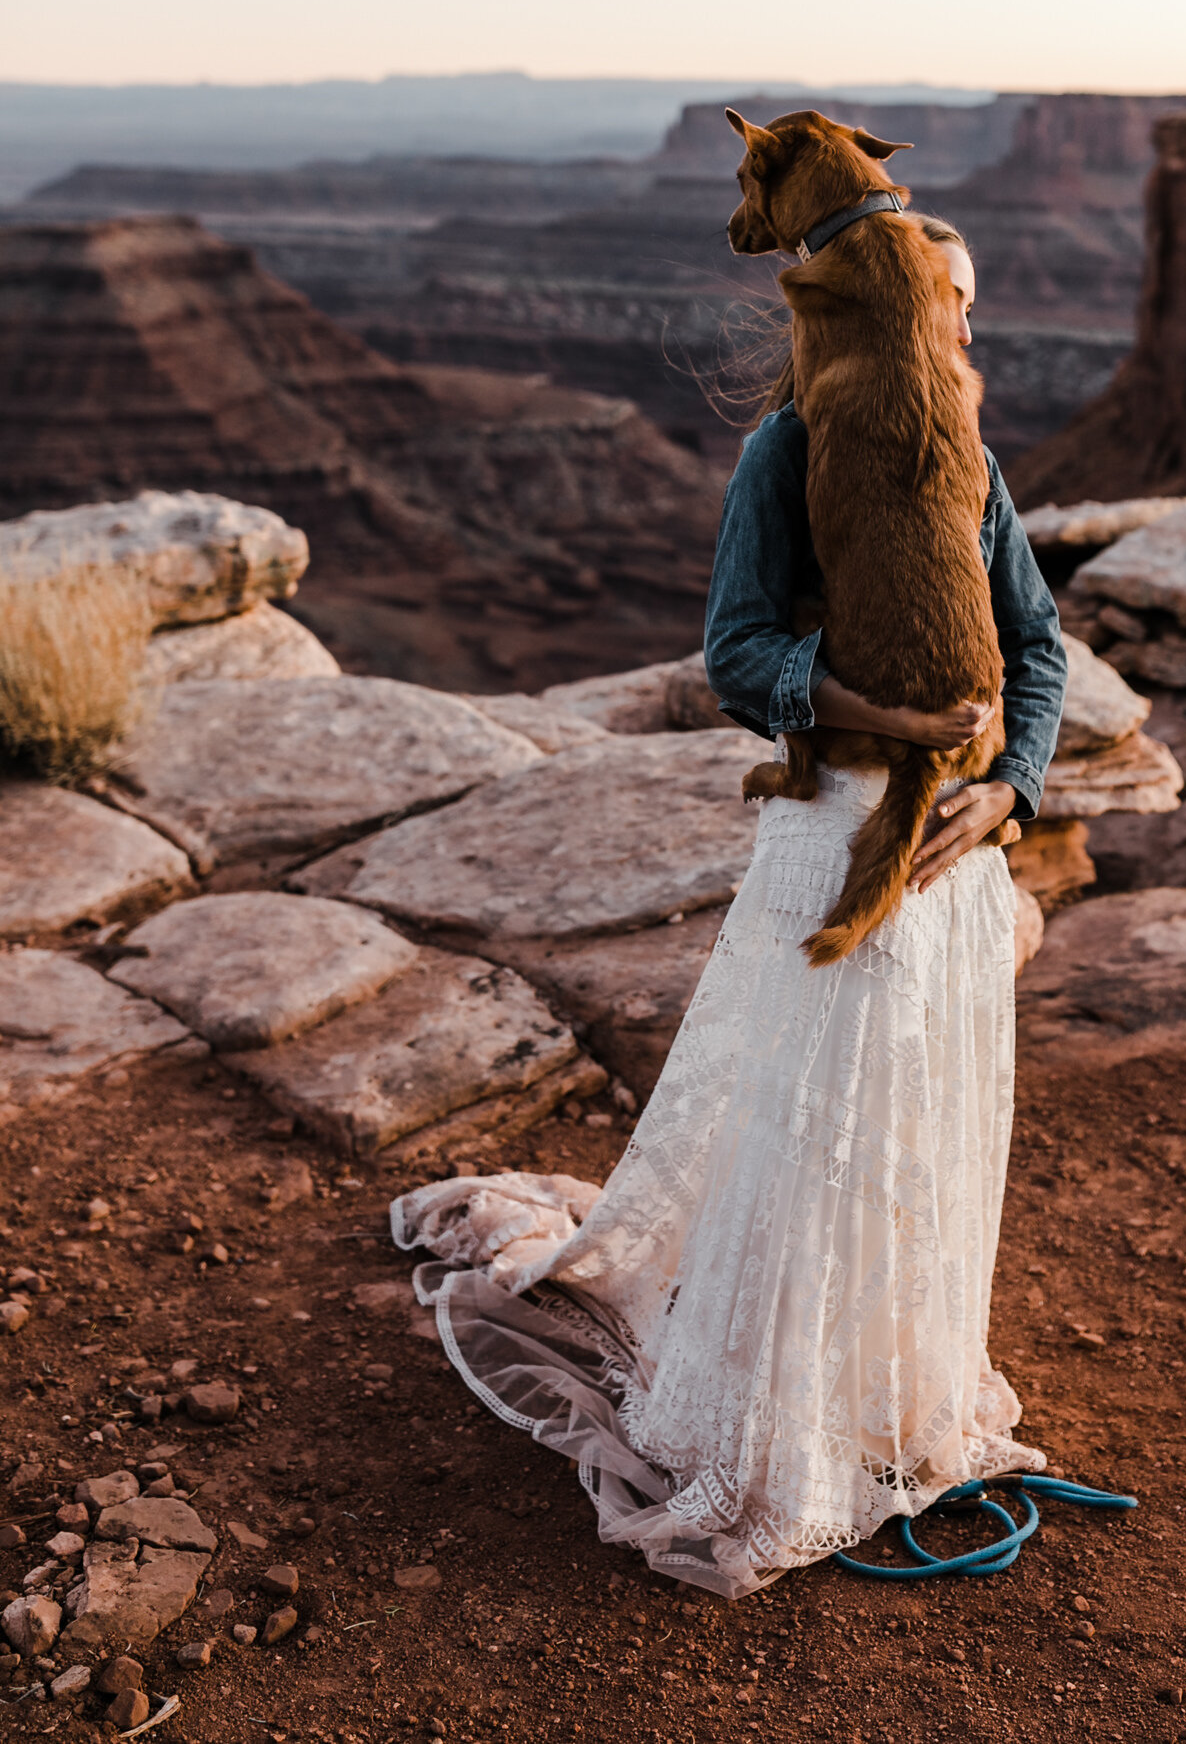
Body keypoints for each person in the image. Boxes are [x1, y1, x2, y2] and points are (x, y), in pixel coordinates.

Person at [392, 216, 1067, 1598]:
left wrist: (1012, 794)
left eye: (972, 312)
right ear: (878, 311)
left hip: (955, 860)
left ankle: (891, 1398)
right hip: (833, 839)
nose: (963, 336)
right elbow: (735, 649)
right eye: (947, 306)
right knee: (813, 1129)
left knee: (917, 1125)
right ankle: (775, 1429)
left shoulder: (968, 468)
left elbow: (1040, 646)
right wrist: (871, 709)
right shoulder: (788, 453)